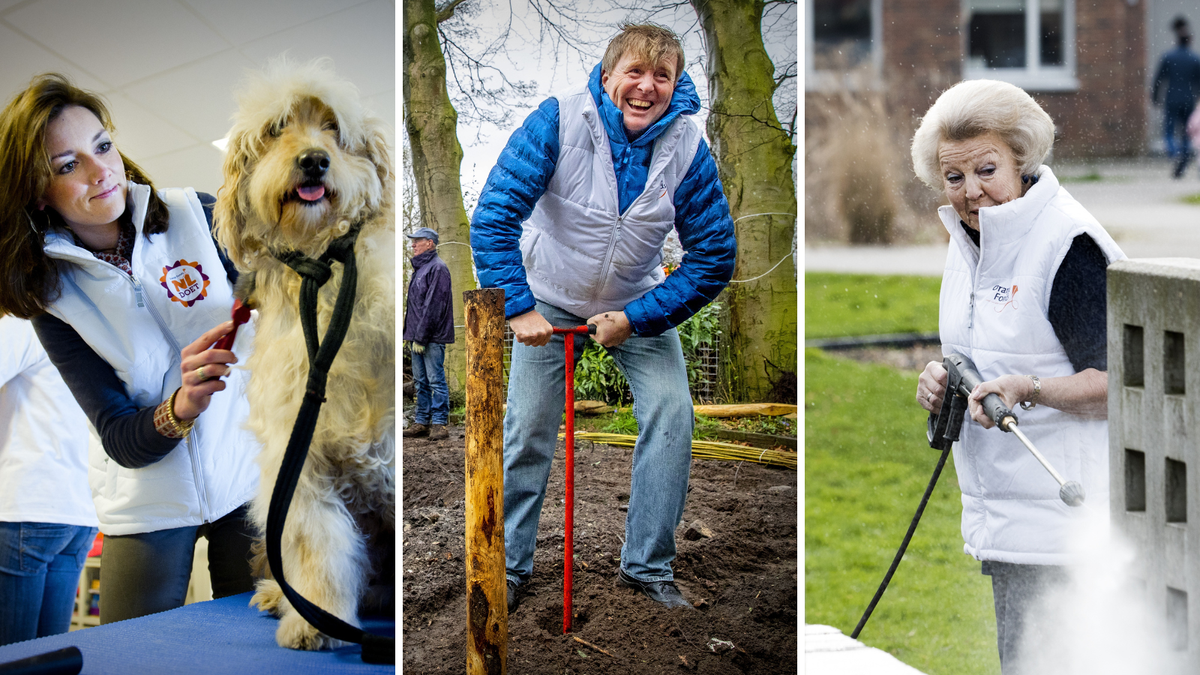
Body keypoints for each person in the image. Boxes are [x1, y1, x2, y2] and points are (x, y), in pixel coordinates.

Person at [470, 23, 736, 612]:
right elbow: (494, 215)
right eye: (634, 73)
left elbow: (714, 256)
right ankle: (509, 568)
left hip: (634, 303)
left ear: (676, 84)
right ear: (609, 75)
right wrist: (518, 306)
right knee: (528, 427)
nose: (646, 87)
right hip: (549, 298)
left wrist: (637, 318)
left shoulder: (688, 148)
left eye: (661, 76)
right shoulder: (560, 120)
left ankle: (647, 568)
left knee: (672, 415)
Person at [0, 74, 260, 624]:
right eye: (67, 165)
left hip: (250, 476)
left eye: (102, 146)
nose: (101, 172)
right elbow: (120, 437)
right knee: (133, 655)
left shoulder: (200, 214)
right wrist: (182, 405)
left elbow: (284, 316)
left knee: (274, 649)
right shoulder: (50, 298)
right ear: (35, 190)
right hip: (146, 503)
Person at [911, 79, 1126, 673]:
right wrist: (942, 378)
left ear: (1022, 159)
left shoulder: (1065, 245)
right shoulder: (972, 242)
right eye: (954, 178)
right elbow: (976, 352)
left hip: (1068, 525)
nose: (972, 193)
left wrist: (1030, 391)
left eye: (986, 169)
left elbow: (1127, 384)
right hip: (1009, 520)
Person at [0, 315, 98, 645]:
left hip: (30, 504)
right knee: (47, 652)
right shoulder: (88, 326)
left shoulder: (22, 322)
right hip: (80, 511)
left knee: (12, 655)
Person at [402, 227, 453, 441]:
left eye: (417, 241)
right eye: (413, 241)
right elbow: (415, 308)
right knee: (420, 381)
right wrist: (411, 336)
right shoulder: (420, 269)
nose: (413, 245)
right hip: (417, 337)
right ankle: (421, 421)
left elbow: (433, 306)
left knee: (435, 380)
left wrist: (421, 337)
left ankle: (440, 423)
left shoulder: (438, 269)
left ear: (429, 243)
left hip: (431, 337)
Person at [1151, 15, 1200, 178]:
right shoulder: (1195, 59)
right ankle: (1185, 154)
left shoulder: (1168, 57)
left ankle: (1175, 154)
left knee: (1169, 132)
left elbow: (1158, 79)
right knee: (1187, 132)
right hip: (1189, 99)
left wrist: (1155, 96)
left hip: (1171, 99)